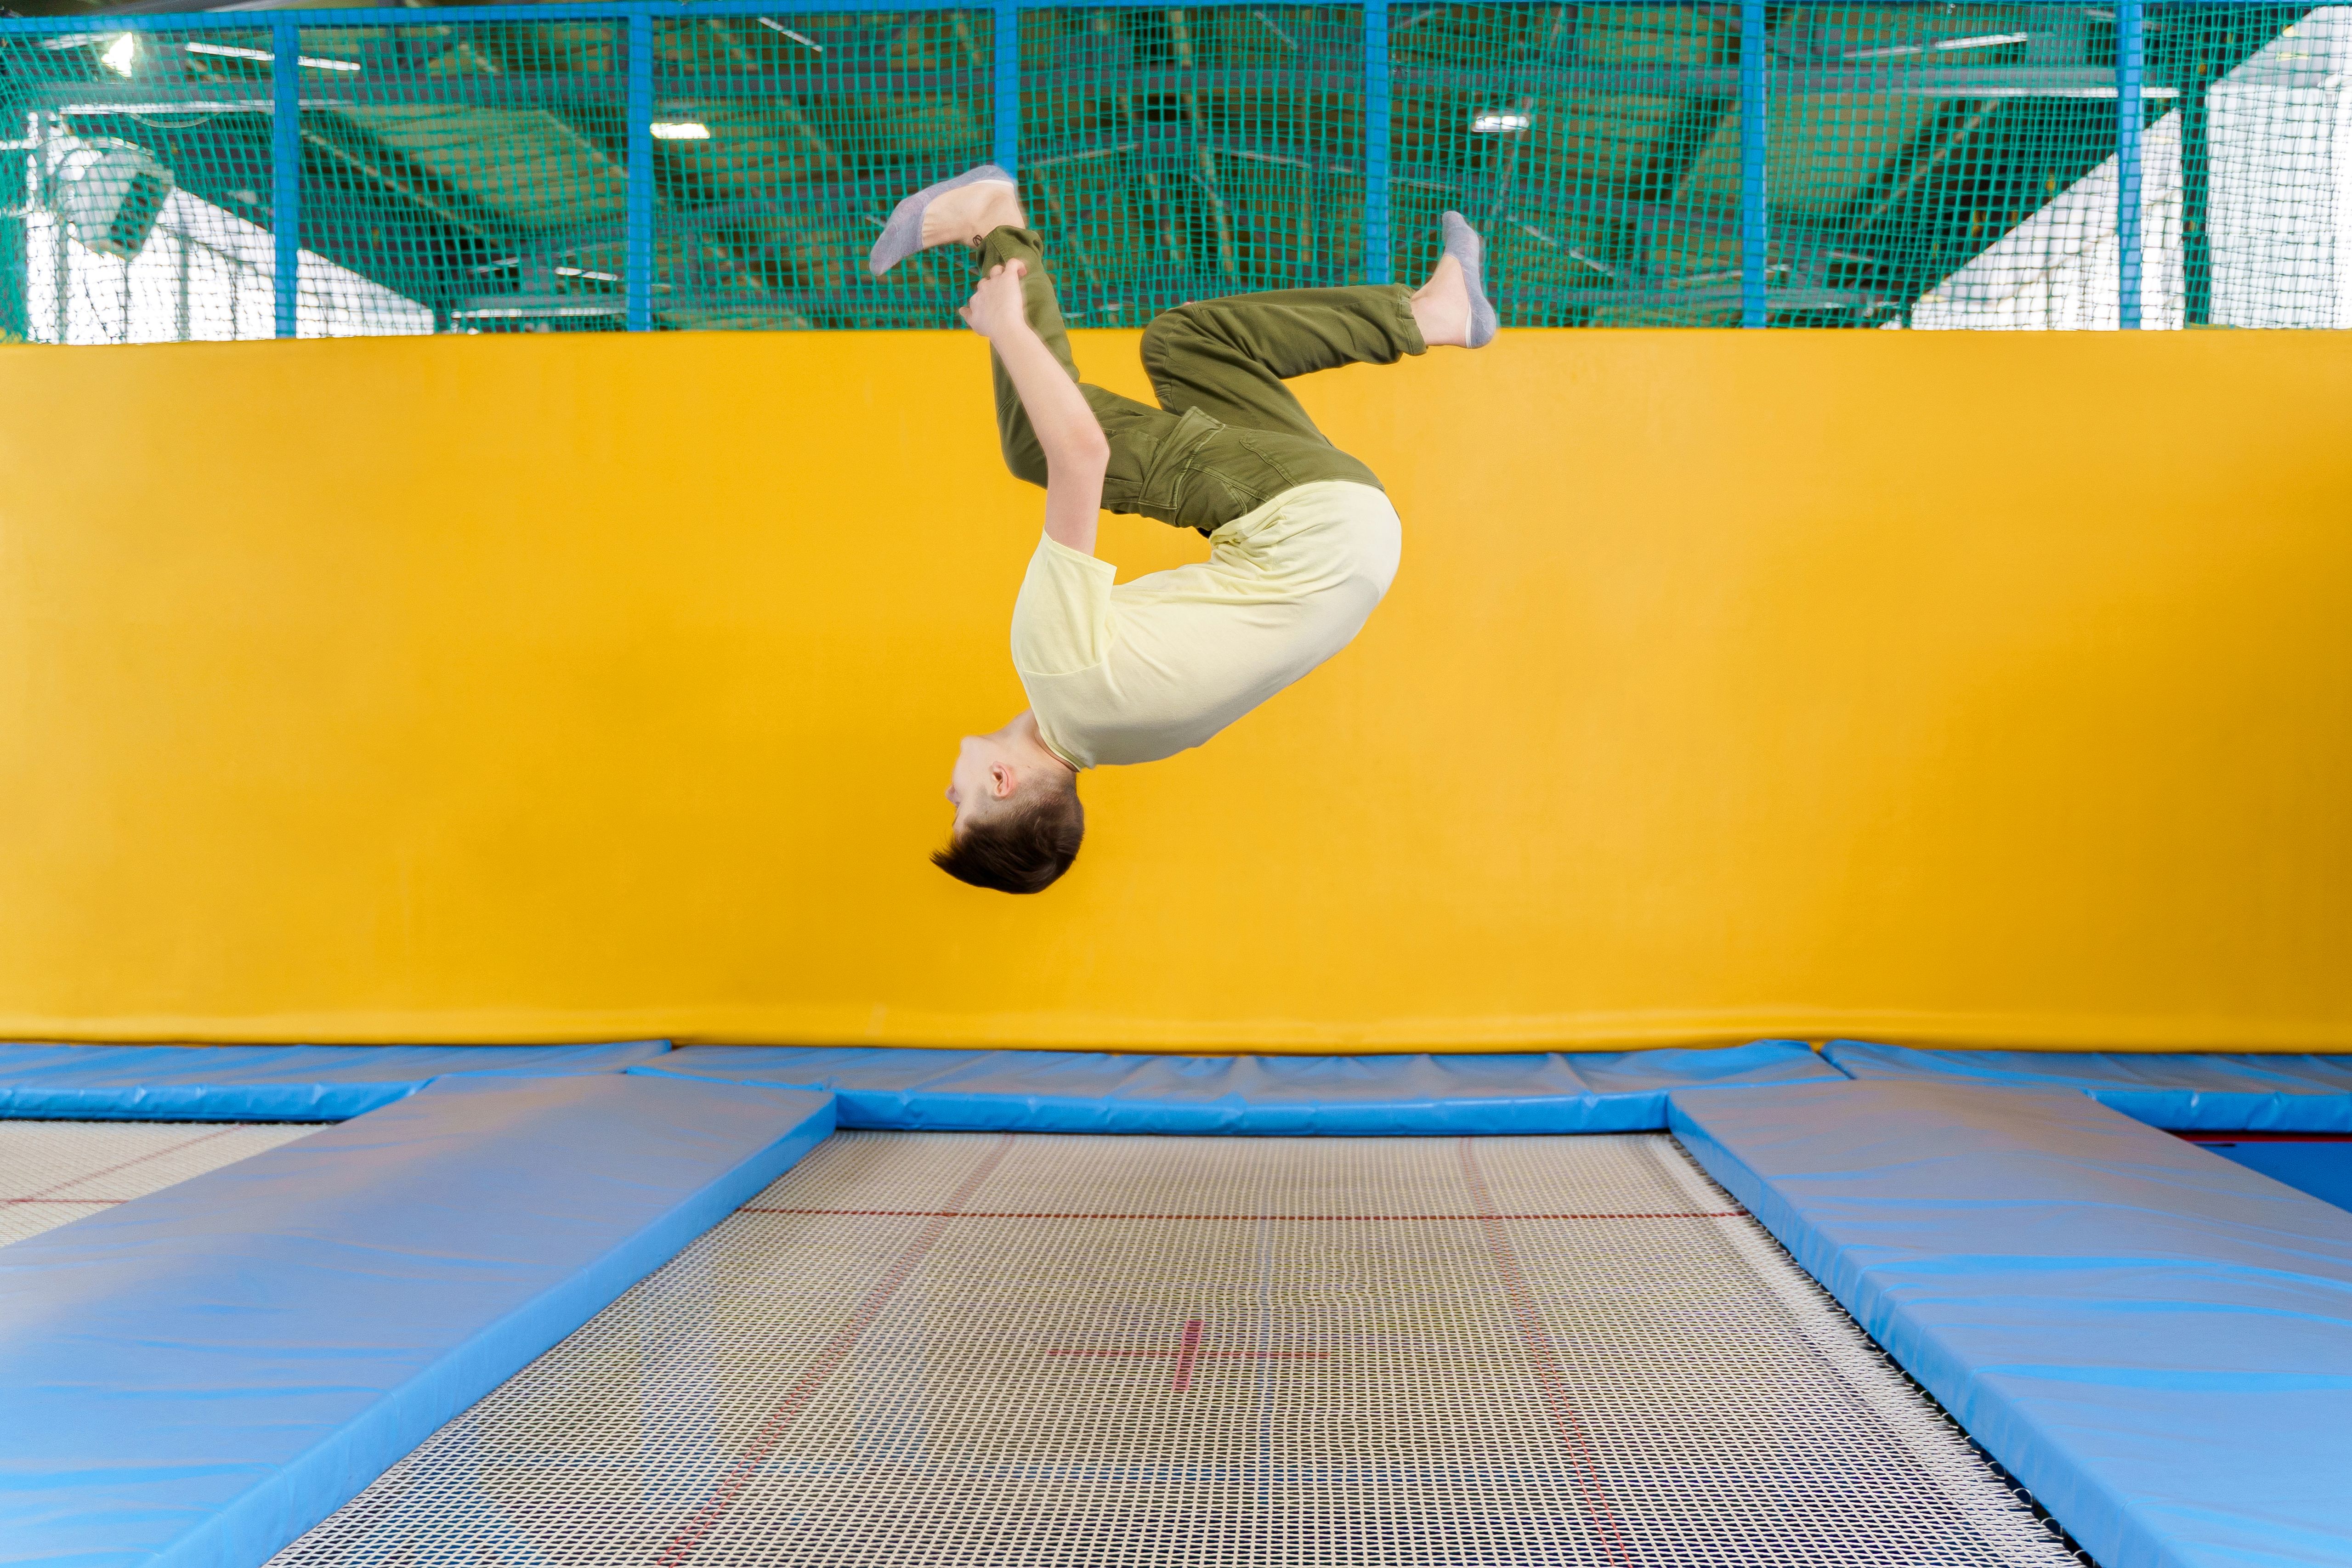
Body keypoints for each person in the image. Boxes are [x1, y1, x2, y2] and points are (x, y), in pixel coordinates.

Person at [869, 166, 1497, 894]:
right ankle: (994, 220)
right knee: (1038, 446)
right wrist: (1008, 328)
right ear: (1003, 780)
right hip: (1305, 519)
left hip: (1360, 542)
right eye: (960, 802)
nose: (951, 789)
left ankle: (1430, 314)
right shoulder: (1056, 673)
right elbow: (1083, 456)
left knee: (1186, 345)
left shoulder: (1122, 742)